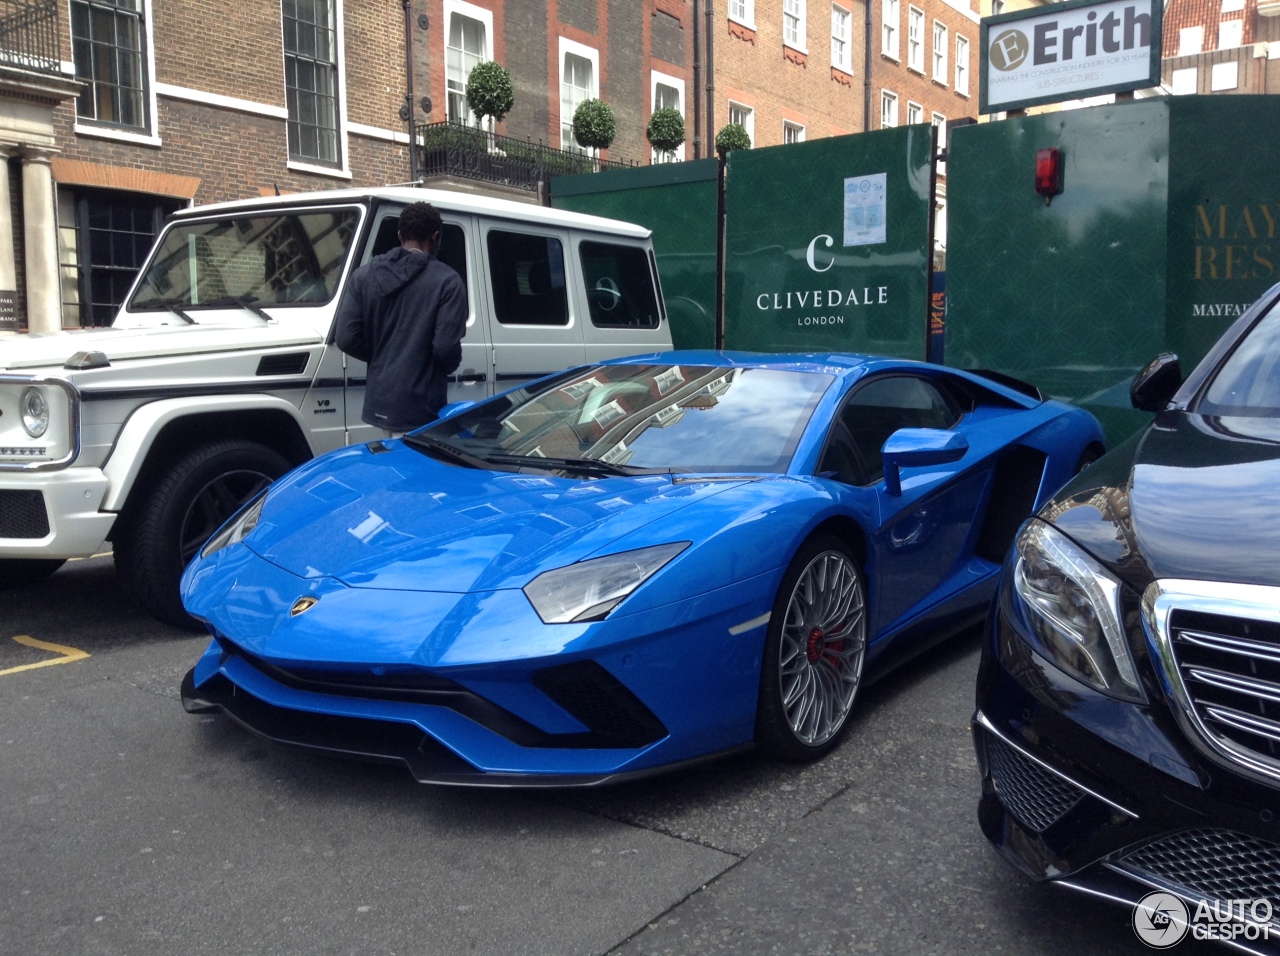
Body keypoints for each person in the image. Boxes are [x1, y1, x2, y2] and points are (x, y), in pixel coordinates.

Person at [336, 202, 467, 436]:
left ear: (399, 235)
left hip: (381, 403)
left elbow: (346, 338)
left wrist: (384, 355)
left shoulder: (363, 276)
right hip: (423, 407)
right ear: (435, 237)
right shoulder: (448, 282)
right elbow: (445, 349)